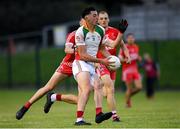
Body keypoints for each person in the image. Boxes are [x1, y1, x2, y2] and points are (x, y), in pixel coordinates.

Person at [16, 29, 79, 120]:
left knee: (81, 100)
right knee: (48, 87)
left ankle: (53, 97)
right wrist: (80, 49)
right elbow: (67, 49)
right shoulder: (74, 34)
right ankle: (26, 107)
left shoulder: (95, 34)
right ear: (82, 21)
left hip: (84, 65)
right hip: (69, 64)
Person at [72, 7, 115, 125]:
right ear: (87, 18)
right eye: (94, 15)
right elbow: (83, 55)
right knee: (86, 89)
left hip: (91, 64)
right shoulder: (80, 32)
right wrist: (102, 61)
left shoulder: (101, 30)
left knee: (99, 84)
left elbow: (102, 48)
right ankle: (79, 120)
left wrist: (111, 60)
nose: (97, 18)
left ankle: (98, 114)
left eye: (97, 15)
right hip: (80, 63)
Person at [96, 11, 130, 121]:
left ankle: (108, 101)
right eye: (101, 18)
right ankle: (115, 116)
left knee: (109, 91)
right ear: (98, 20)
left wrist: (128, 56)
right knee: (110, 89)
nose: (103, 20)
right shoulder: (96, 33)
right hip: (102, 63)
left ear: (109, 19)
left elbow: (123, 46)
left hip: (113, 64)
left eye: (105, 18)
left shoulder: (115, 31)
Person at [118, 33, 142, 108]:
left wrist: (138, 58)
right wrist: (127, 59)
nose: (131, 39)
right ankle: (127, 103)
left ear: (134, 39)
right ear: (126, 39)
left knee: (139, 87)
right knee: (129, 88)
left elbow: (136, 56)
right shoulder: (123, 47)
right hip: (127, 70)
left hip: (135, 70)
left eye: (132, 38)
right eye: (129, 38)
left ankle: (128, 96)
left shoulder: (136, 47)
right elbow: (120, 59)